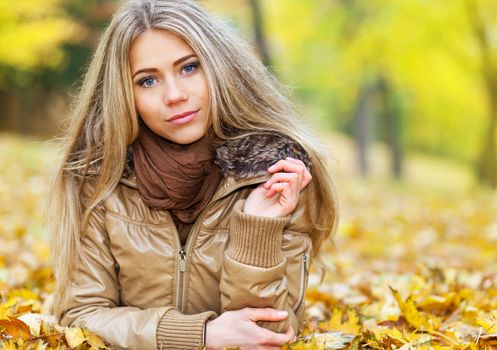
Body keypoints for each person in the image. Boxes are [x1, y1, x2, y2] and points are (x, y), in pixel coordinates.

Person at [46, 0, 338, 349]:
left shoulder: (277, 173)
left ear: (220, 67)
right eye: (148, 80)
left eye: (189, 68)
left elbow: (270, 335)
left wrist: (257, 228)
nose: (174, 95)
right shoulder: (100, 179)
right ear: (124, 93)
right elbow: (82, 316)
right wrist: (200, 336)